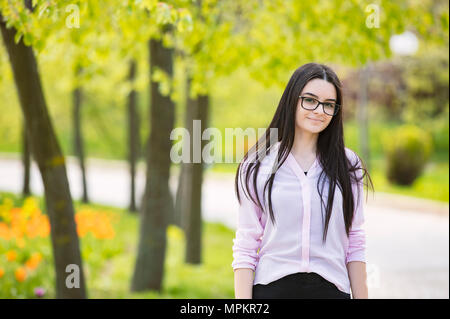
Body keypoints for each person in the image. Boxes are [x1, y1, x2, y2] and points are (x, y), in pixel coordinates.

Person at [231, 62, 374, 299]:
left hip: (331, 290)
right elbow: (246, 245)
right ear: (292, 100)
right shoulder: (257, 166)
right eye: (310, 100)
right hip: (272, 290)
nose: (319, 110)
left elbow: (355, 241)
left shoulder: (348, 166)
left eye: (329, 105)